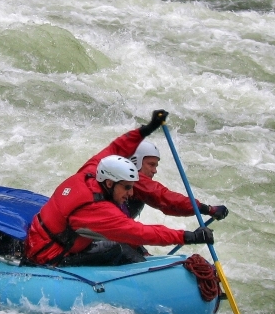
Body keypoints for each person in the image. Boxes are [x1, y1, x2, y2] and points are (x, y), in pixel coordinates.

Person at [24, 110, 216, 267]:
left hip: (42, 237)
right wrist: (188, 236)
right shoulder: (97, 208)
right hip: (48, 255)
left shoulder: (91, 172)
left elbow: (117, 148)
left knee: (123, 243)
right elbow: (140, 232)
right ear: (109, 183)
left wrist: (147, 129)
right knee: (117, 248)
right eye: (126, 188)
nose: (130, 194)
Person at [127, 139, 229, 222]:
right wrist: (207, 209)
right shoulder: (132, 178)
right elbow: (164, 198)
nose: (155, 171)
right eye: (151, 165)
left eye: (156, 166)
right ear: (135, 161)